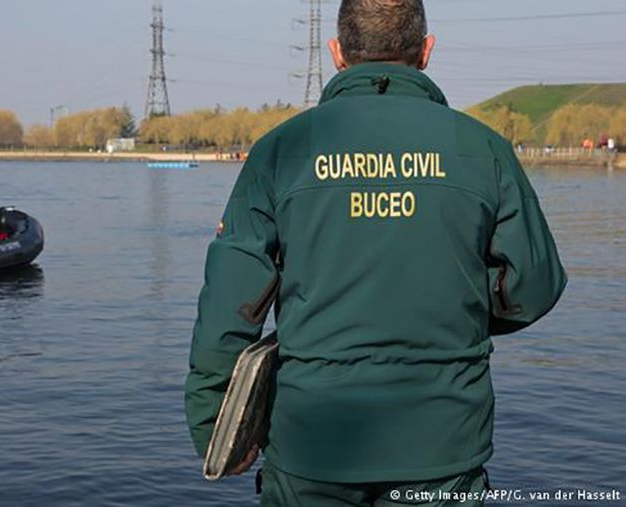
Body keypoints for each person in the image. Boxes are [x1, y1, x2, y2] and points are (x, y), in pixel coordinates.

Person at [184, 1, 567, 506]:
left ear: (337, 53)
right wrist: (455, 311)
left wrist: (214, 421)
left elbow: (230, 299)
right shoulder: (483, 150)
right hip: (441, 441)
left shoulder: (280, 151)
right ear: (426, 51)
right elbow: (535, 284)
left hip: (311, 443)